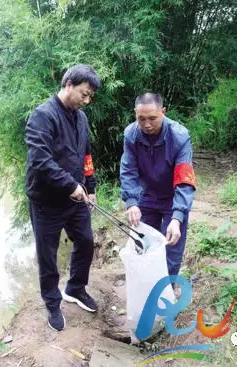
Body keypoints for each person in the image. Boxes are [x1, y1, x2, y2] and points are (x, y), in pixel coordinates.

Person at [24, 64, 101, 331]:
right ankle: (52, 303)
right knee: (48, 255)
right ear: (68, 84)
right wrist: (71, 185)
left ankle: (76, 288)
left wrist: (90, 188)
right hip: (46, 200)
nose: (87, 100)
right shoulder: (42, 116)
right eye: (84, 93)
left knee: (87, 241)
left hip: (76, 196)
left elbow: (86, 156)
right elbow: (40, 161)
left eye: (90, 96)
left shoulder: (81, 118)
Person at [119, 92, 196, 279]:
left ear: (163, 111)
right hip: (147, 197)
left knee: (171, 248)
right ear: (135, 114)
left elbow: (185, 180)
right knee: (142, 244)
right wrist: (131, 202)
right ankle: (145, 287)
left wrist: (177, 218)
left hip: (173, 197)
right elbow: (128, 170)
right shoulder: (131, 134)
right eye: (141, 119)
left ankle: (165, 291)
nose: (146, 124)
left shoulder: (179, 136)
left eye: (152, 118)